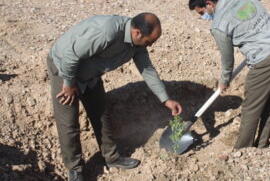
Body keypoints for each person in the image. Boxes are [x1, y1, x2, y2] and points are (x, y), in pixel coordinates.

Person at [47, 13, 182, 181]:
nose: (150, 46)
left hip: (90, 75)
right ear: (137, 33)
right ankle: (75, 170)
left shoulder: (137, 45)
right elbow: (70, 56)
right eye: (149, 42)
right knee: (69, 123)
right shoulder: (106, 32)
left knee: (101, 114)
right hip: (64, 68)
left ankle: (112, 158)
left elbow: (147, 69)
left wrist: (166, 99)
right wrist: (68, 83)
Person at [188, 0, 270, 149]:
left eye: (202, 12)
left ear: (209, 3)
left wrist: (224, 80)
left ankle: (243, 150)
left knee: (251, 108)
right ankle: (262, 143)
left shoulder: (218, 25)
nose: (203, 17)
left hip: (265, 61)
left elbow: (227, 59)